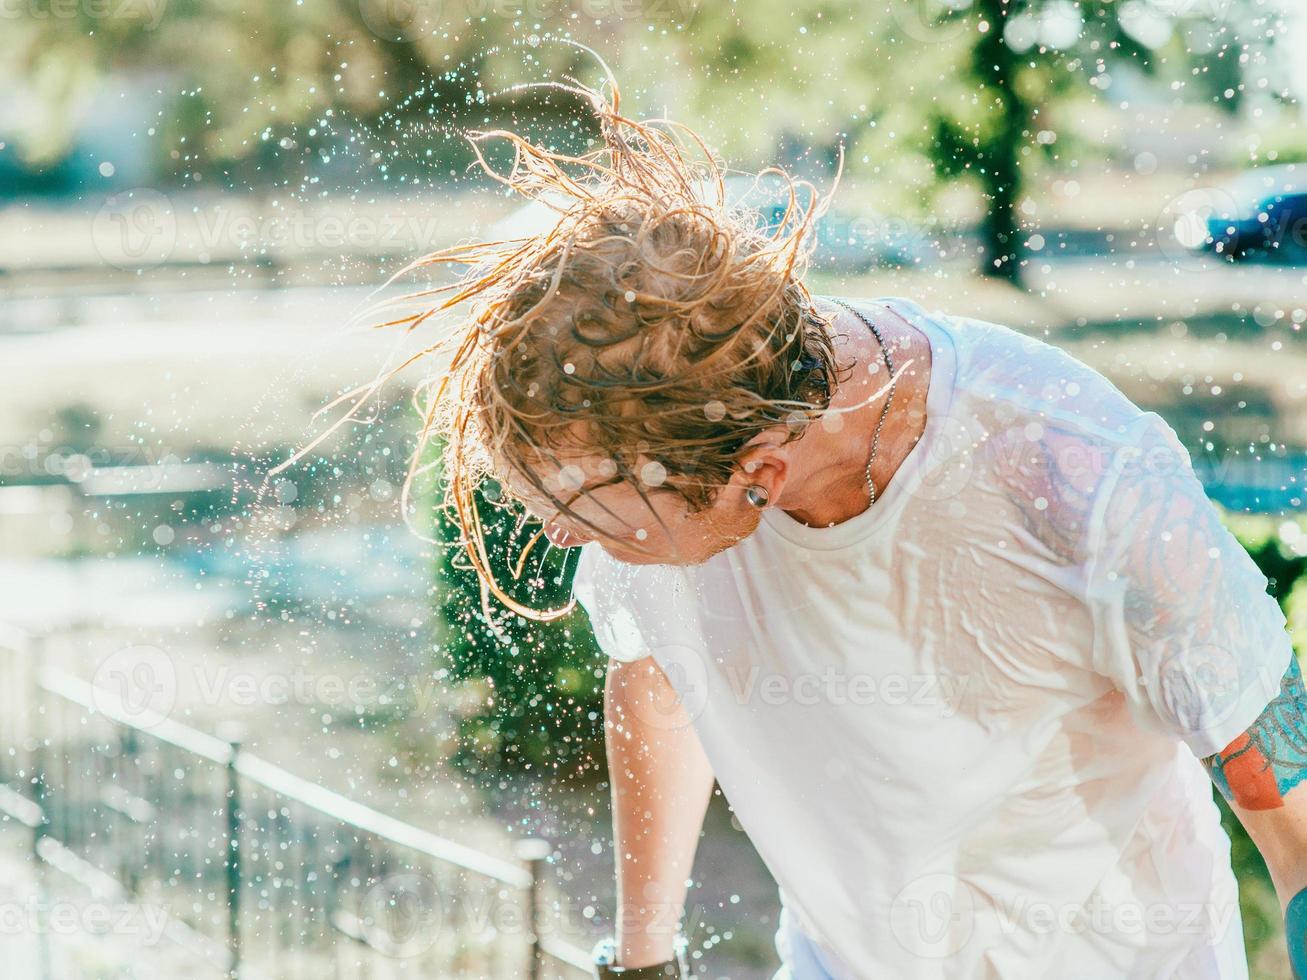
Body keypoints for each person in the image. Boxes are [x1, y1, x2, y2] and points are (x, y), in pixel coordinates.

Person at [399, 69, 1307, 979]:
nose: (562, 539)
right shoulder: (659, 447)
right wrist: (642, 962)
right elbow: (660, 676)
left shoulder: (1076, 474)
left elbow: (1293, 821)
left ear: (754, 479)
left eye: (578, 513)